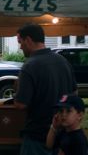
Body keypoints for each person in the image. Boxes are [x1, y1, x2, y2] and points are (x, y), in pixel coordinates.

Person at [14, 23, 77, 155]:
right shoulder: (63, 61)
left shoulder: (29, 66)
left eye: (20, 42)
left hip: (38, 136)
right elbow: (74, 95)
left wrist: (18, 88)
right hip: (62, 134)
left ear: (28, 40)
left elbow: (20, 104)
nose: (20, 47)